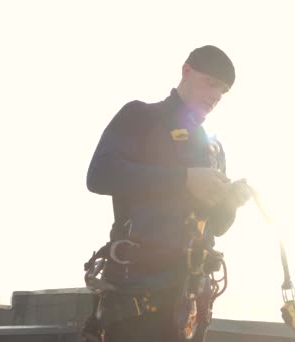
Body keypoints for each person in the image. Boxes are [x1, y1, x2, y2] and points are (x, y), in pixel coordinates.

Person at [83, 45, 251, 342]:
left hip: (189, 308)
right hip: (135, 302)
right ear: (186, 71)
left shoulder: (213, 148)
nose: (216, 96)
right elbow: (99, 175)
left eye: (223, 91)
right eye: (211, 83)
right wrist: (184, 180)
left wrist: (230, 204)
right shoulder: (140, 116)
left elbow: (217, 227)